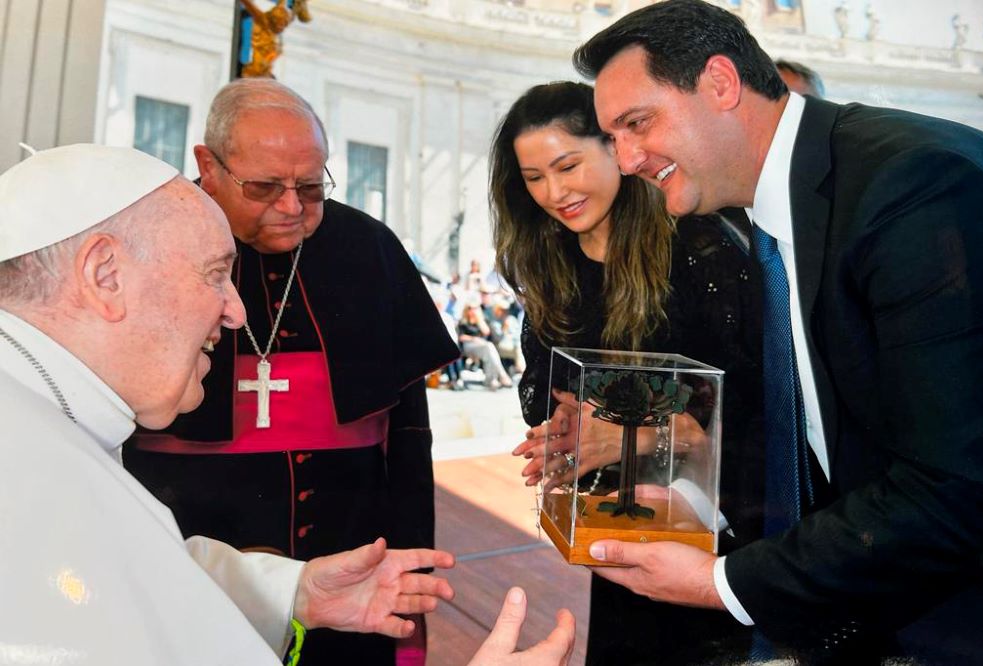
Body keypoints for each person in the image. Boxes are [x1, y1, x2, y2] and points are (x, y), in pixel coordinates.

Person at [0, 143, 577, 665]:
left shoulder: (44, 428)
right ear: (104, 275)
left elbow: (141, 574)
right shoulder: (31, 478)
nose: (236, 311)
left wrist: (292, 591)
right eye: (214, 275)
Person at [574, 0, 983, 663]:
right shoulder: (780, 207)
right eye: (613, 137)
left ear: (721, 83)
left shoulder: (911, 186)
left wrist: (720, 583)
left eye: (638, 123)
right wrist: (699, 502)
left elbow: (955, 487)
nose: (626, 160)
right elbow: (824, 433)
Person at [122, 78, 457, 664]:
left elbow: (409, 435)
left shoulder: (370, 248)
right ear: (208, 165)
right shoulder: (146, 243)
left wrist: (410, 575)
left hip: (351, 559)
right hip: (187, 548)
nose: (291, 207)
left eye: (310, 187)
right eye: (264, 187)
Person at [490, 81, 763, 664]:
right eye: (534, 178)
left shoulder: (701, 249)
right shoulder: (551, 264)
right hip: (619, 533)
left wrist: (643, 433)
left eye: (568, 166)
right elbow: (545, 390)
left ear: (616, 149)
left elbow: (761, 409)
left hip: (724, 548)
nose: (555, 193)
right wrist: (563, 431)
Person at [457, 300, 514, 390]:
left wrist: (479, 320)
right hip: (468, 345)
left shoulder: (483, 320)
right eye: (470, 308)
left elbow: (486, 332)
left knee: (489, 352)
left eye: (475, 308)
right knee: (489, 347)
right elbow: (461, 337)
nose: (472, 310)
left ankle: (491, 379)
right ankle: (501, 376)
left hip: (482, 346)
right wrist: (474, 339)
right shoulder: (463, 321)